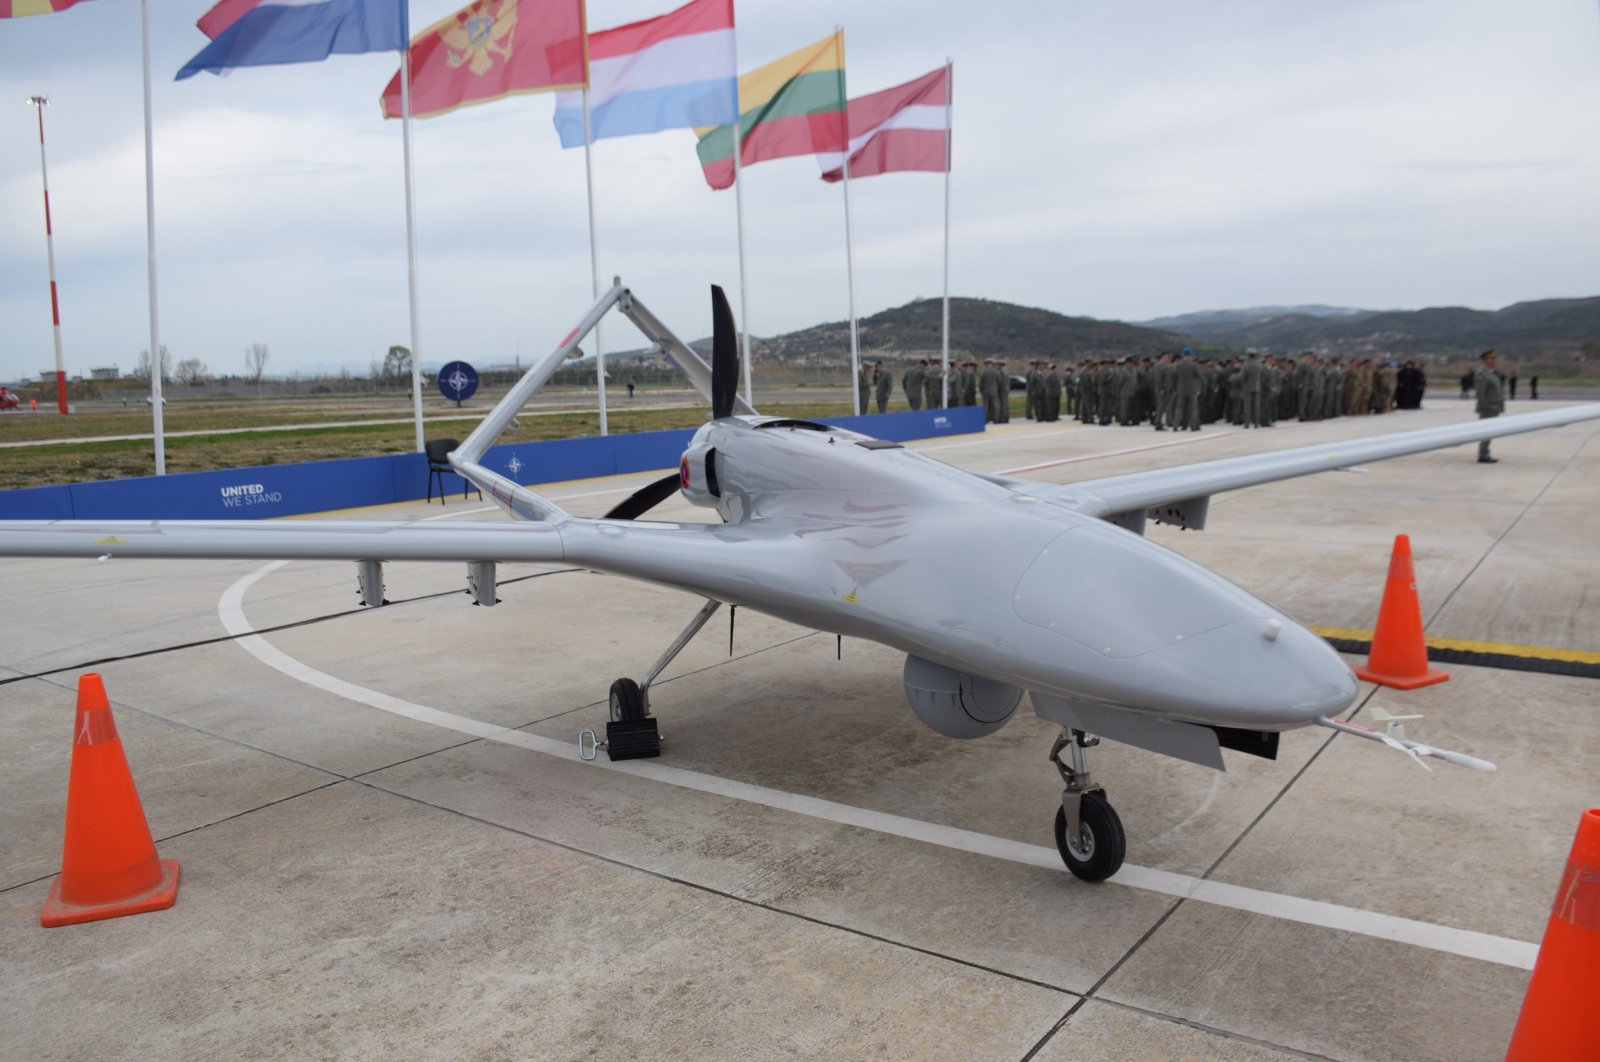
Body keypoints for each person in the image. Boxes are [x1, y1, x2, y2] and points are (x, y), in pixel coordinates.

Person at [1474, 349, 1504, 463]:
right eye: (1491, 359)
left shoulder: (1492, 373)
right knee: (1486, 432)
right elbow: (1480, 393)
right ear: (1485, 360)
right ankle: (1483, 455)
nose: (1494, 361)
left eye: (1494, 358)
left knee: (1490, 432)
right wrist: (1485, 407)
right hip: (1487, 408)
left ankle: (1485, 452)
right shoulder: (1482, 373)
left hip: (1494, 407)